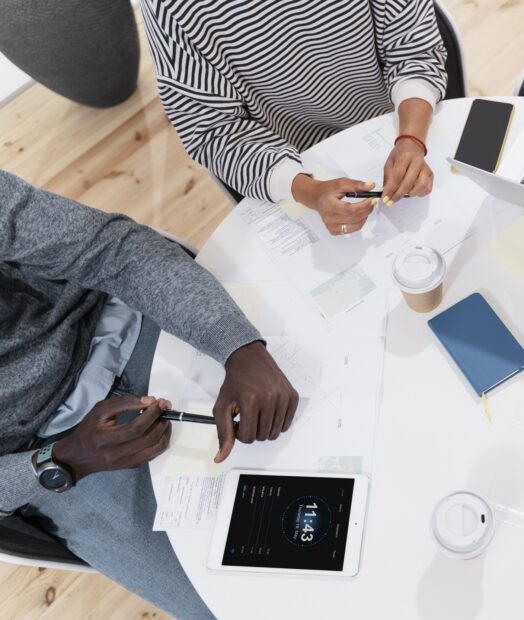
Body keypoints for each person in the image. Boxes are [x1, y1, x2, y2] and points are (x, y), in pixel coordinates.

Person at [0, 170, 300, 619]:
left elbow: (110, 249)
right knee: (241, 606)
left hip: (119, 324)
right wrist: (61, 460)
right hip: (55, 452)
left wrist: (236, 344)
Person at [141, 0, 449, 236]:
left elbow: (414, 47)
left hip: (393, 121)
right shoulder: (170, 8)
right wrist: (308, 190)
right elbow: (214, 131)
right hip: (288, 163)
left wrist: (410, 137)